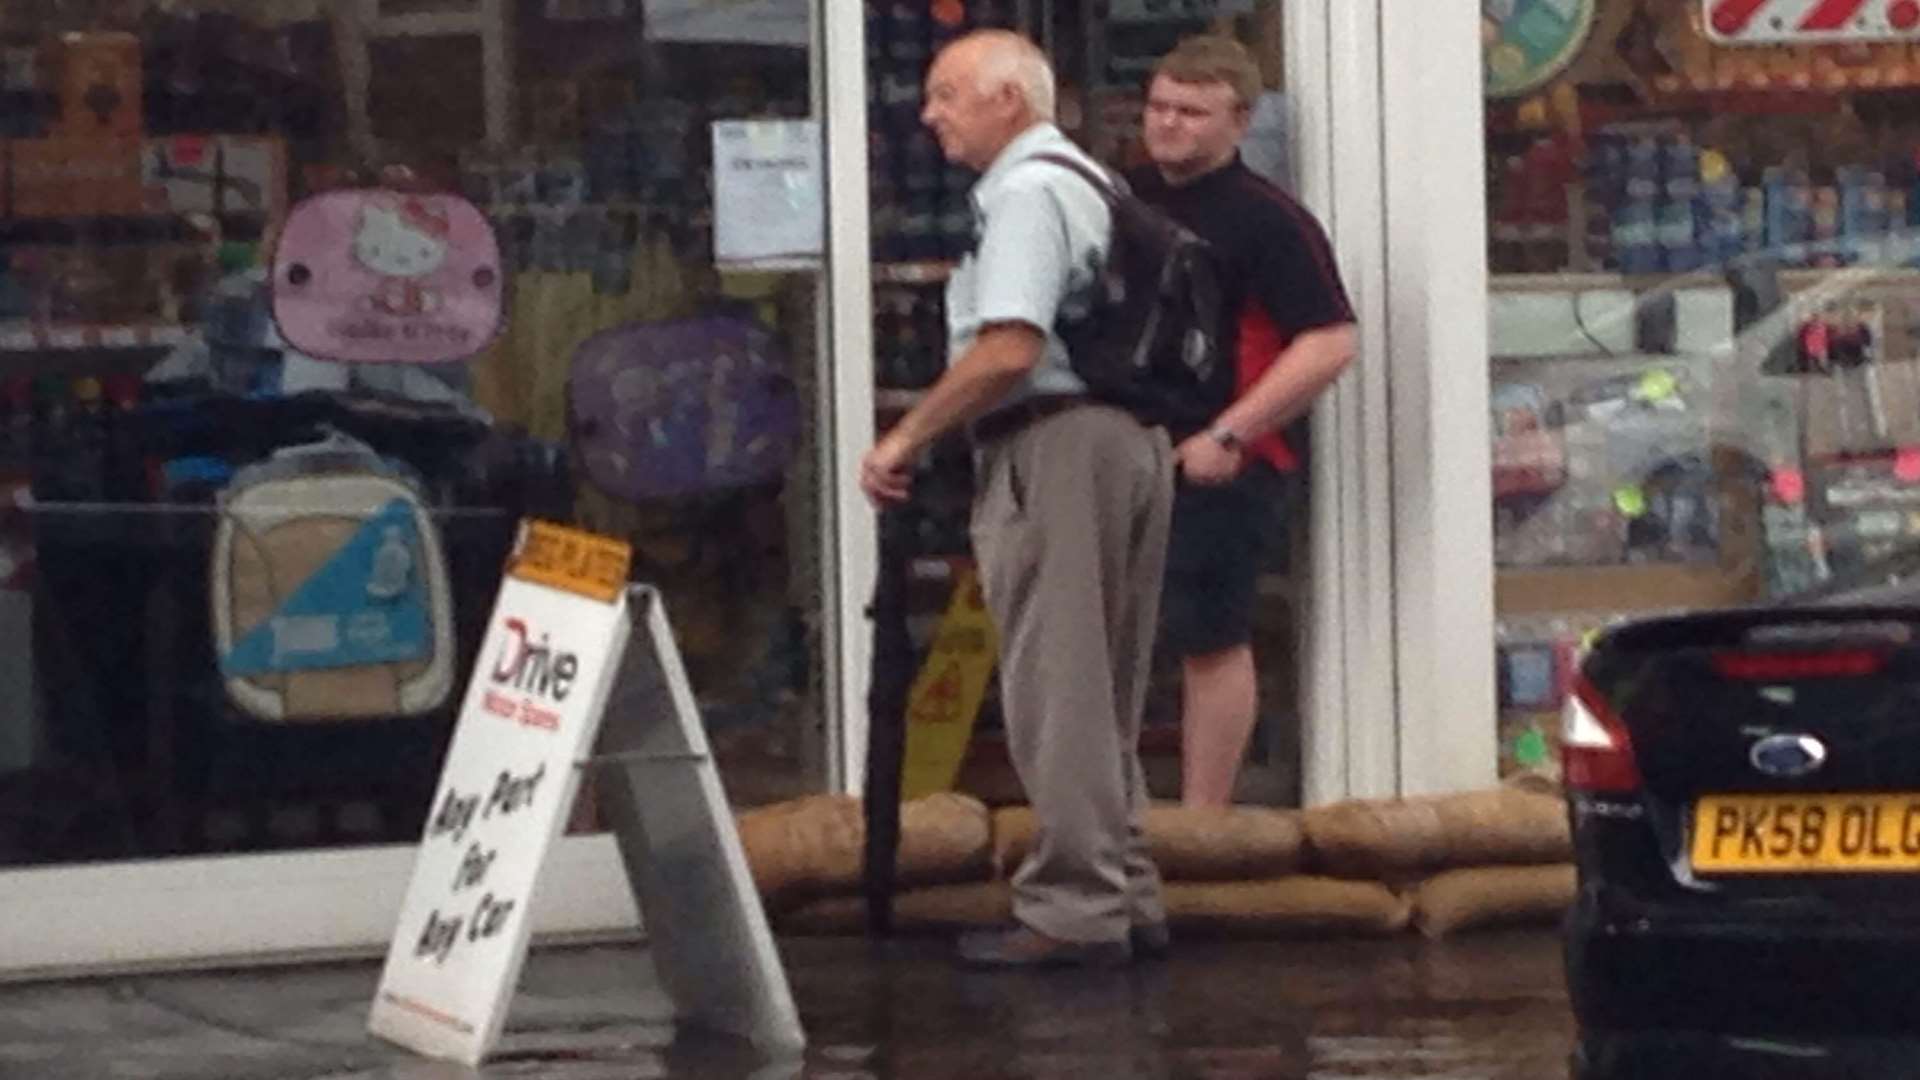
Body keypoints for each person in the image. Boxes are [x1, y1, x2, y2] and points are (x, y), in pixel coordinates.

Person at [858, 29, 1173, 968]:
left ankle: (1075, 908)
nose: (929, 114)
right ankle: (1128, 892)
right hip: (1126, 441)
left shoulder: (1030, 194)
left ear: (1009, 99)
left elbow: (1009, 346)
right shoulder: (1090, 181)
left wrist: (906, 434)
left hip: (1056, 447)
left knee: (1059, 686)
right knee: (1108, 686)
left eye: (948, 93)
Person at [1130, 36, 1357, 807]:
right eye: (1159, 106)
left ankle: (1203, 823)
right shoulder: (1119, 199)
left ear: (1239, 120)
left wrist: (1232, 434)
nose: (1168, 124)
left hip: (1224, 463)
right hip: (1125, 451)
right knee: (1108, 638)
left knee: (1210, 636)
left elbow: (1330, 340)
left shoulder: (1271, 221)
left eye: (1191, 111)